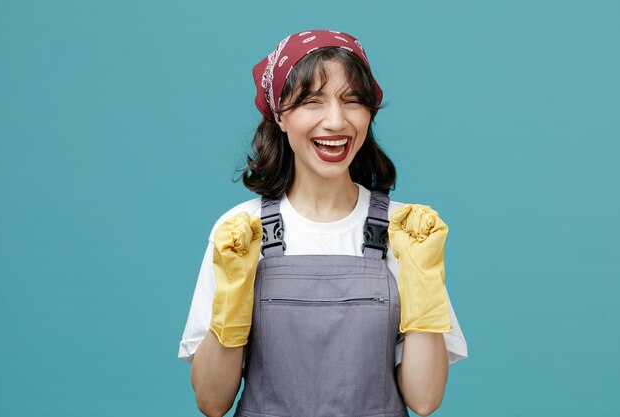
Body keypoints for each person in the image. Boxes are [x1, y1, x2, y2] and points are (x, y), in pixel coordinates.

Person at [178, 29, 468, 417]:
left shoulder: (408, 232)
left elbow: (425, 398)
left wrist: (425, 286)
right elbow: (212, 402)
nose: (336, 121)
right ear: (280, 116)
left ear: (369, 114)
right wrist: (232, 301)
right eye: (312, 102)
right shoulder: (240, 233)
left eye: (352, 101)